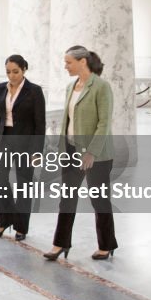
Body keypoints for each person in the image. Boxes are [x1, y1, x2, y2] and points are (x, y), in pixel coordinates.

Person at [44, 45, 118, 261]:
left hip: (96, 155)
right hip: (70, 150)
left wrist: (91, 153)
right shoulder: (70, 86)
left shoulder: (101, 87)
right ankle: (60, 244)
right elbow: (68, 121)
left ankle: (106, 245)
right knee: (66, 199)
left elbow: (104, 123)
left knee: (99, 200)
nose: (65, 66)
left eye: (68, 62)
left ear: (82, 62)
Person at [0, 54, 46, 241]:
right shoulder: (1, 88)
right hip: (5, 141)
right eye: (8, 72)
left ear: (24, 70)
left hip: (26, 145)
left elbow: (40, 124)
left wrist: (37, 152)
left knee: (24, 186)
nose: (12, 75)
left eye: (15, 71)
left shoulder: (34, 91)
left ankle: (21, 226)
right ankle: (3, 221)